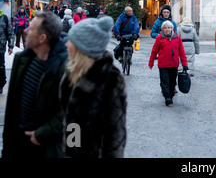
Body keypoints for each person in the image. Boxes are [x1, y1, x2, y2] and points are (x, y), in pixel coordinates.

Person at [2, 11, 67, 158]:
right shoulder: (22, 59)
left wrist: (42, 133)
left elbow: (74, 116)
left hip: (46, 148)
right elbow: (12, 110)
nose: (25, 31)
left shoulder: (66, 68)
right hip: (18, 145)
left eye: (30, 29)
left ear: (42, 38)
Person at [59, 16, 127, 158]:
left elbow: (115, 135)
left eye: (72, 41)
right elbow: (72, 122)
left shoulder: (110, 79)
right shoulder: (72, 73)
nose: (67, 44)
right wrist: (72, 151)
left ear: (83, 48)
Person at [148, 21, 188, 106]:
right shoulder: (159, 38)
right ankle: (167, 97)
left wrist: (184, 64)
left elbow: (182, 51)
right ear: (162, 29)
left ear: (172, 29)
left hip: (174, 64)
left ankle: (171, 96)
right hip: (163, 64)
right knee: (165, 81)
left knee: (172, 82)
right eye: (165, 28)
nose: (167, 29)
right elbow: (154, 51)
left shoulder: (177, 38)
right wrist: (151, 62)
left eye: (169, 28)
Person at [0, 10, 14, 94]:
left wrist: (11, 46)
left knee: (0, 66)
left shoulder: (4, 18)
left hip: (0, 47)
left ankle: (1, 84)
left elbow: (10, 33)